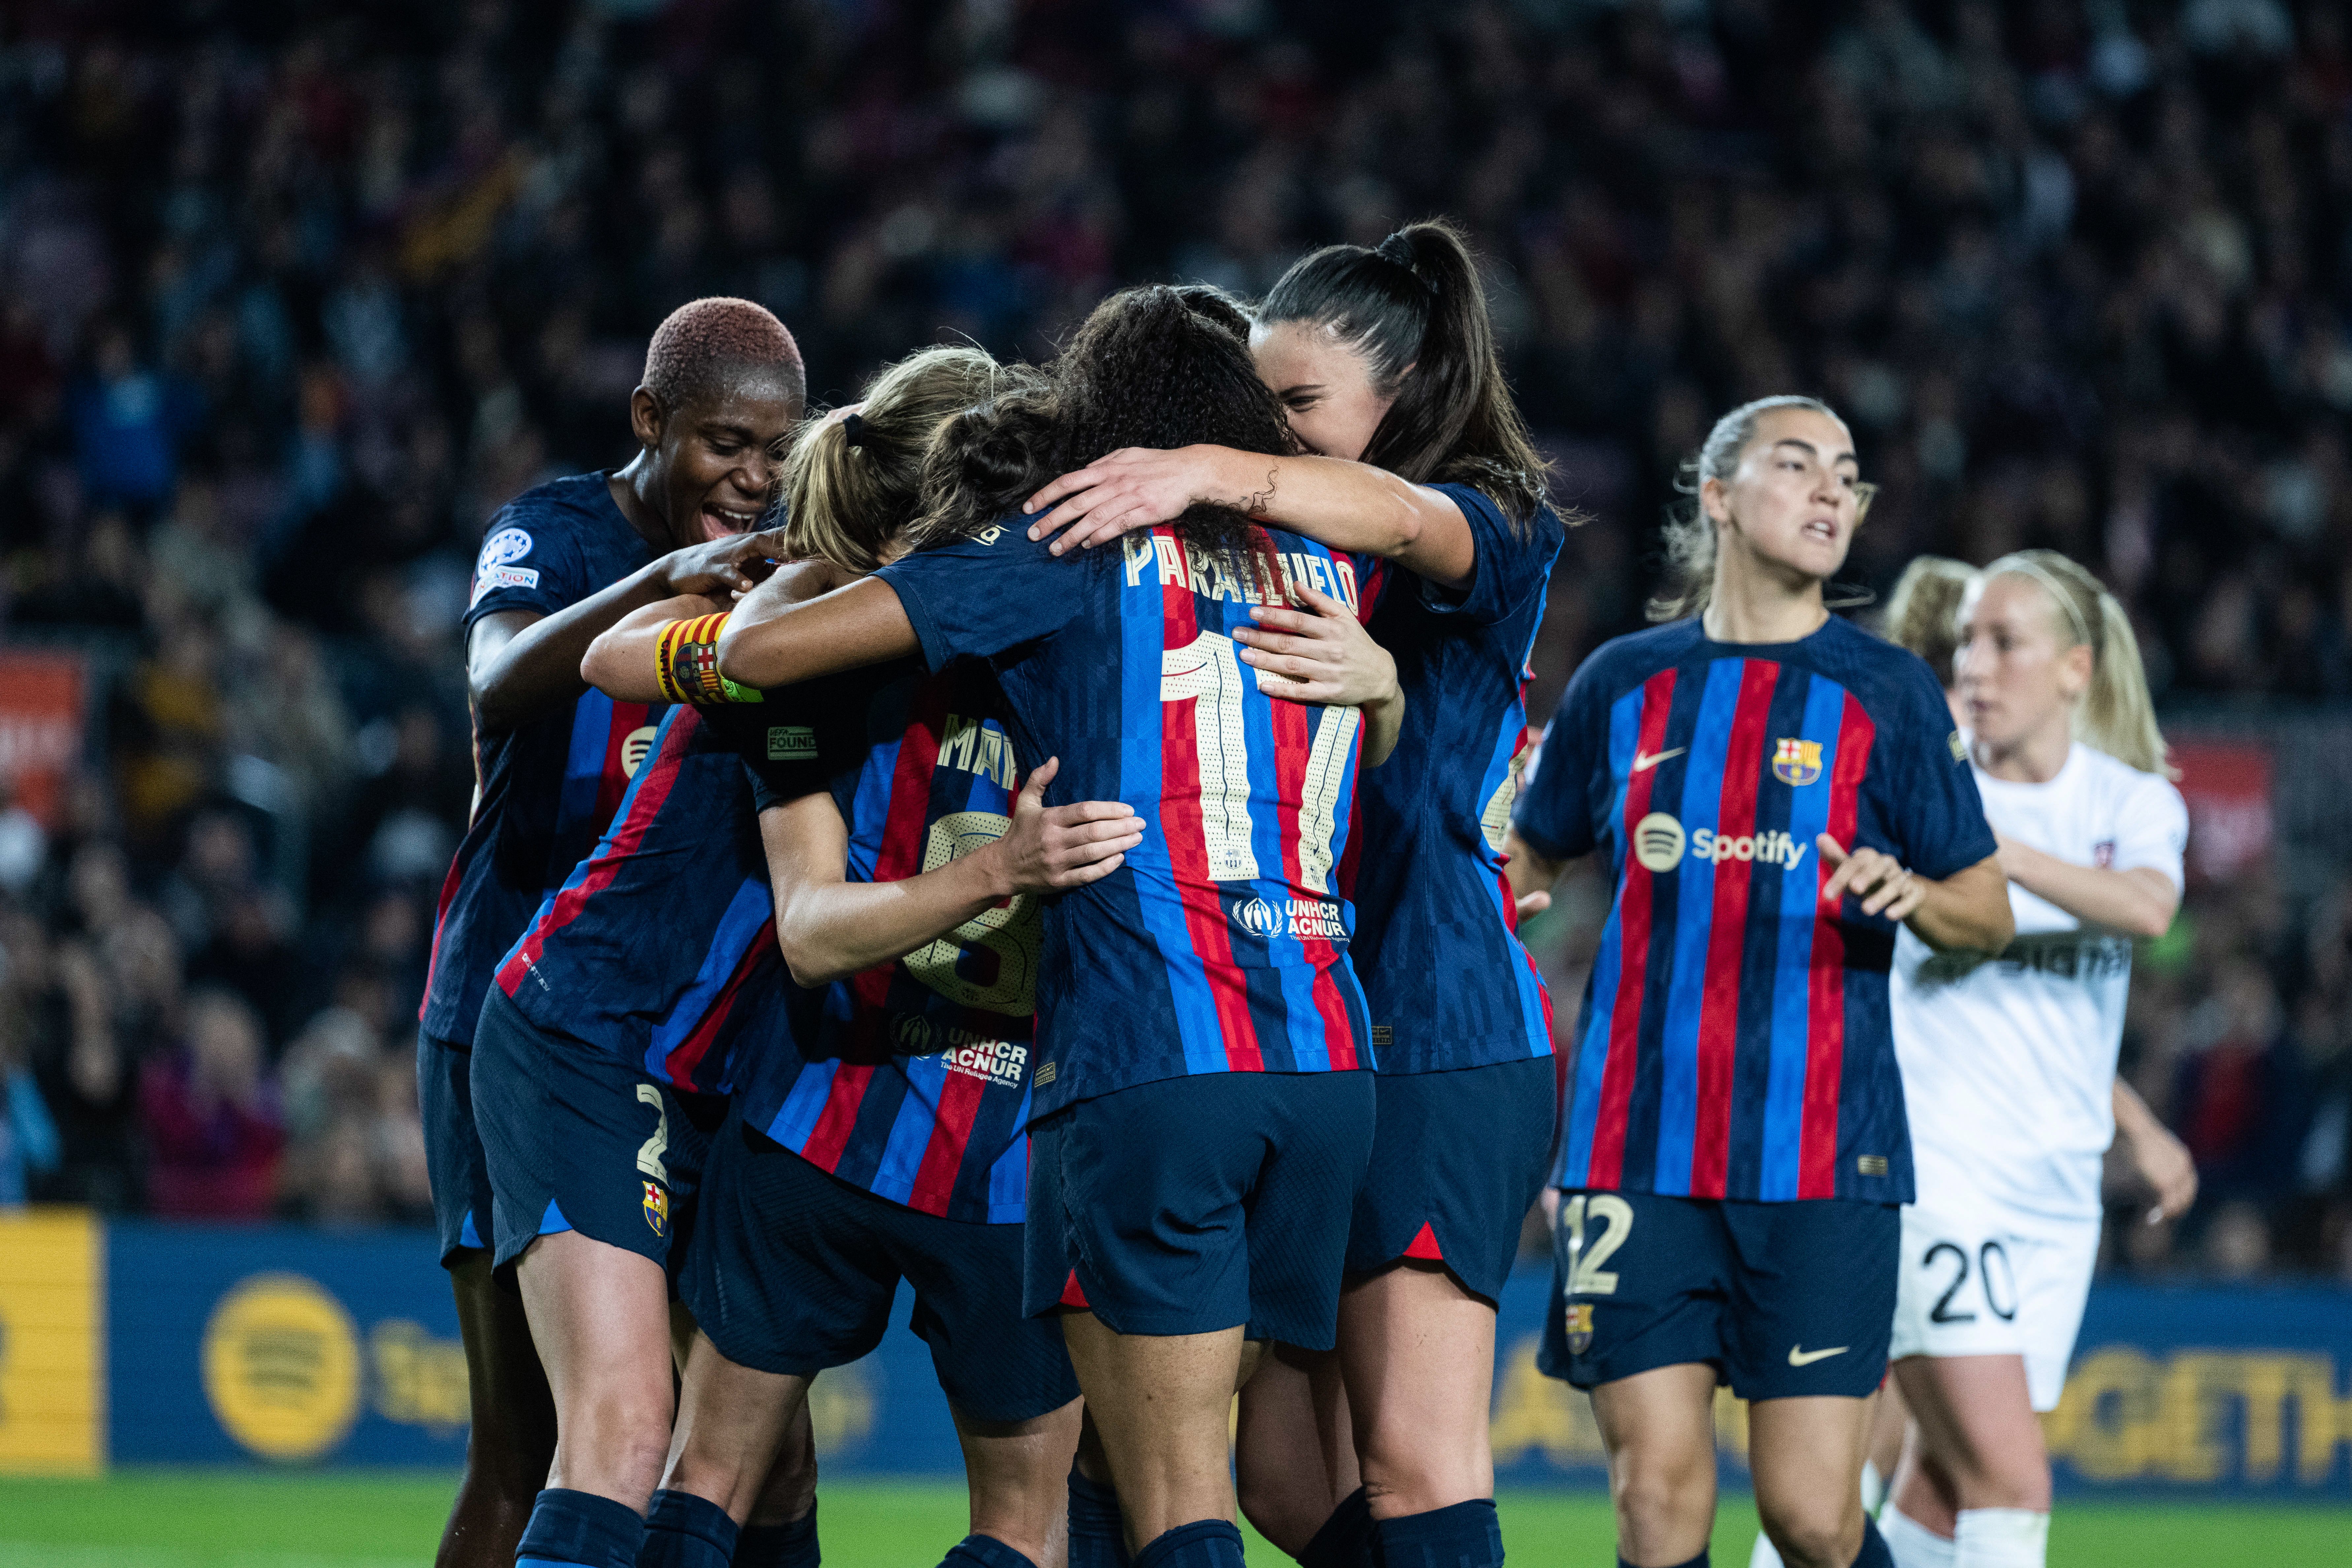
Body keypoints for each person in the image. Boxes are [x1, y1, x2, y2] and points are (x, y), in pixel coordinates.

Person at [713, 285, 1405, 1568]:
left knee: (1172, 1497)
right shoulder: (1328, 556)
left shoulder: (1070, 547)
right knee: (1238, 1468)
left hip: (1157, 1054)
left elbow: (762, 660)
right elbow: (1379, 739)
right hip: (1325, 1064)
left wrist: (779, 583)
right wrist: (1394, 688)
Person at [1020, 221, 1566, 1568]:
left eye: (1304, 402)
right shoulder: (1278, 546)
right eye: (1259, 405)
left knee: (1414, 1462)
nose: (1277, 432)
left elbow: (1404, 519)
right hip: (1302, 1023)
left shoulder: (1490, 514)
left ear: (1410, 386)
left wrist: (1206, 464)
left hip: (1437, 1024)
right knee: (1275, 1471)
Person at [578, 346, 1133, 1568]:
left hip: (809, 1129)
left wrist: (752, 604)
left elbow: (618, 666)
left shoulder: (812, 652)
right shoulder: (1102, 647)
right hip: (1006, 1158)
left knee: (706, 1481)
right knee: (1026, 1525)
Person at [1504, 395, 2015, 1568]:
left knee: (1811, 1519)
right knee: (1656, 1504)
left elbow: (1984, 911)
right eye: (1797, 464)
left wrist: (1912, 893)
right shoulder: (1624, 683)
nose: (1834, 488)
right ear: (1719, 496)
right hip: (1635, 1155)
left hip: (1826, 1161)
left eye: (1848, 472)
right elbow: (1528, 860)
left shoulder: (1888, 694)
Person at [414, 296, 804, 1568]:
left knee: (763, 1450)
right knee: (529, 1448)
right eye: (724, 444)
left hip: (694, 1040)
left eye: (776, 452)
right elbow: (493, 684)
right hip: (511, 1023)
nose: (752, 479)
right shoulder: (554, 532)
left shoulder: (784, 565)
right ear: (651, 420)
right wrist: (658, 585)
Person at [1874, 550, 2197, 1568]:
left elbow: (2146, 908)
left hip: (2058, 1195)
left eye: (2004, 642)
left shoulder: (2130, 804)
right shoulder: (1921, 788)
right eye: (1966, 641)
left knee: (1935, 1490)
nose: (1975, 663)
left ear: (2074, 669)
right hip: (1939, 1175)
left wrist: (2139, 1128)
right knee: (2010, 1484)